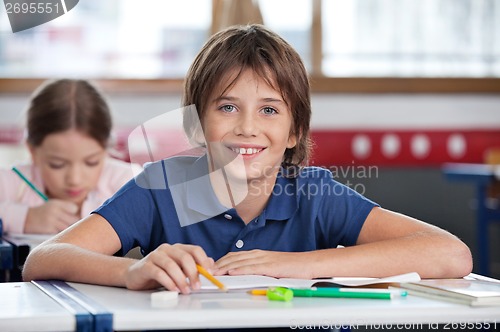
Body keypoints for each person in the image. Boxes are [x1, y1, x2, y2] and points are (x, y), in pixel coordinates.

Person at [23, 24, 472, 300]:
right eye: (227, 107)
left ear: (295, 131)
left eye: (270, 110)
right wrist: (133, 270)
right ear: (197, 125)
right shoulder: (161, 187)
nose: (247, 128)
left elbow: (451, 255)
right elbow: (43, 259)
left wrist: (297, 264)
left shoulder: (314, 193)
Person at [0, 79, 139, 234]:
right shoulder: (13, 182)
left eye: (91, 162)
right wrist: (24, 218)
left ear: (106, 149)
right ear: (32, 151)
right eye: (57, 164)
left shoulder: (127, 181)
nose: (75, 179)